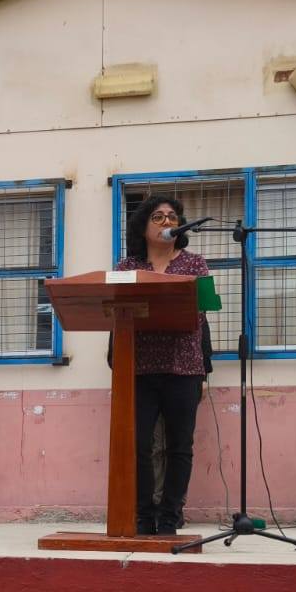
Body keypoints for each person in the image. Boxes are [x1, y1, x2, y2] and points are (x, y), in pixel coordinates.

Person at [114, 195, 213, 535]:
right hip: (139, 368)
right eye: (157, 216)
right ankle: (143, 515)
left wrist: (205, 371)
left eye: (172, 216)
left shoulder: (195, 264)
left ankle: (171, 516)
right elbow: (116, 313)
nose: (166, 222)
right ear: (142, 226)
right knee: (139, 444)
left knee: (179, 446)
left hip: (183, 366)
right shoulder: (127, 268)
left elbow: (202, 316)